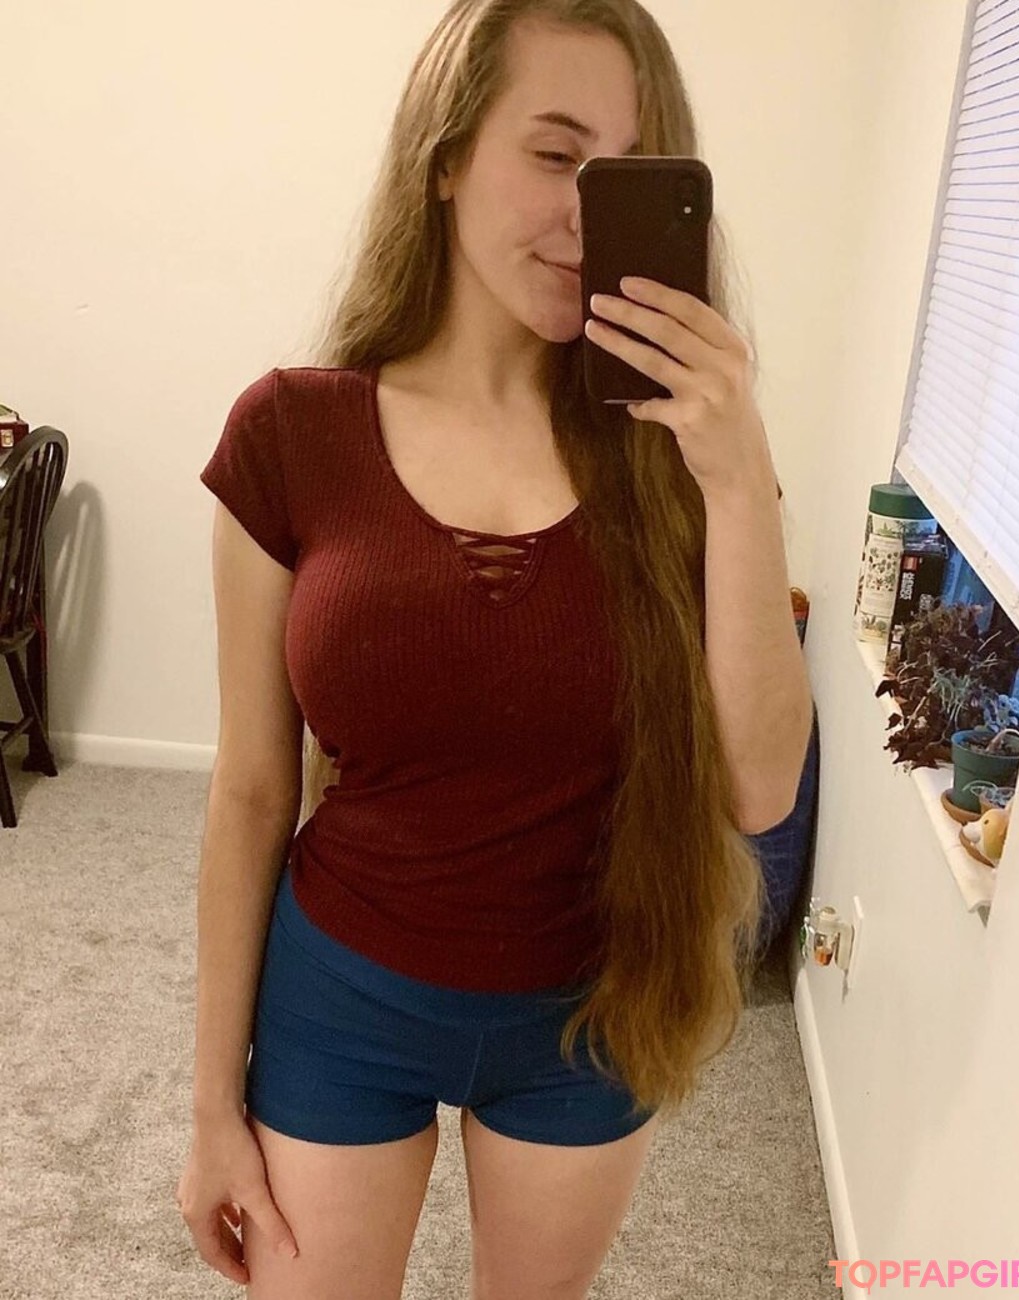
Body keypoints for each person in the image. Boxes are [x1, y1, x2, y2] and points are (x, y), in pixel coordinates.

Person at [176, 1, 816, 1296]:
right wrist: (207, 1106)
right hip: (341, 991)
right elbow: (249, 788)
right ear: (447, 157)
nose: (586, 215)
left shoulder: (685, 458)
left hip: (592, 1014)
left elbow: (759, 788)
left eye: (625, 174)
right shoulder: (291, 435)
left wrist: (741, 478)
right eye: (555, 153)